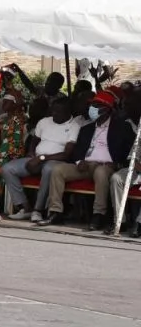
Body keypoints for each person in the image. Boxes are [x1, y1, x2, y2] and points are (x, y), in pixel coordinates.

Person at [38, 90, 132, 231]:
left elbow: (129, 151)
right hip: (85, 165)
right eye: (91, 105)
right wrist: (78, 161)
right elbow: (76, 151)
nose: (91, 109)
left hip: (106, 166)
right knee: (57, 170)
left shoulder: (121, 127)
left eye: (96, 105)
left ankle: (98, 214)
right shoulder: (87, 128)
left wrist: (118, 164)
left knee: (101, 172)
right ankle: (55, 211)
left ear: (106, 109)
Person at [0, 97, 79, 221]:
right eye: (53, 111)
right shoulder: (44, 122)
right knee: (7, 169)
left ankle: (38, 210)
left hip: (56, 161)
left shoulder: (74, 126)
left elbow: (66, 154)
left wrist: (42, 158)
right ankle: (25, 207)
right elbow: (34, 140)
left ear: (68, 112)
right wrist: (31, 153)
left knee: (48, 169)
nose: (54, 114)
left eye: (58, 112)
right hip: (37, 158)